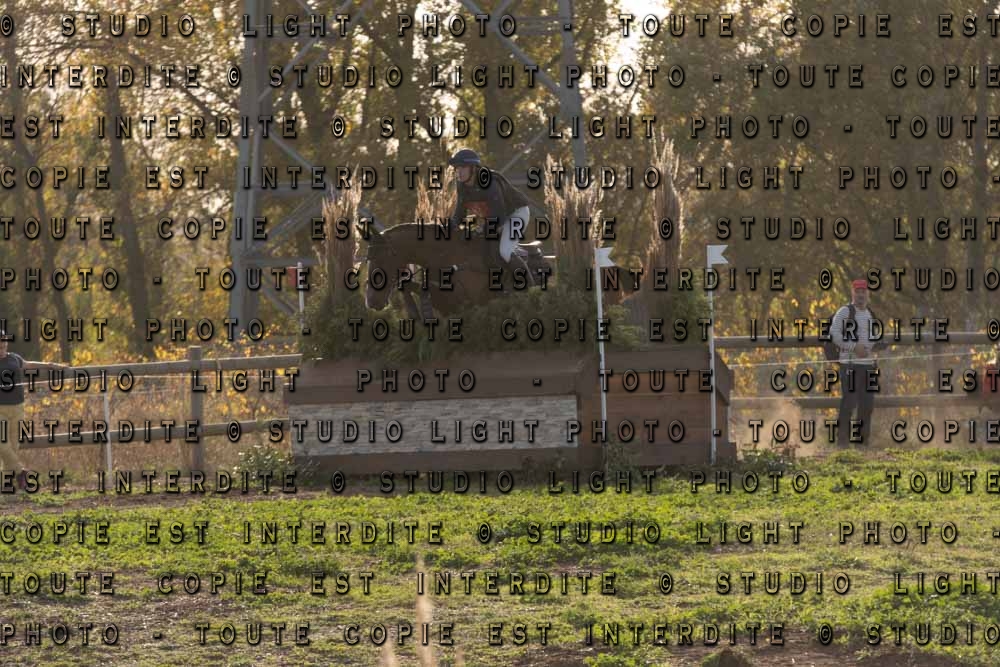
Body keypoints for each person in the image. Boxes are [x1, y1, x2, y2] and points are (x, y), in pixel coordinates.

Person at [0, 332, 70, 490]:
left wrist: (51, 365)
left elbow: (30, 364)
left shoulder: (14, 358)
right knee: (2, 445)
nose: (2, 347)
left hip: (17, 407)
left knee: (13, 446)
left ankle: (7, 484)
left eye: (3, 344)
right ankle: (21, 472)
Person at [446, 148, 534, 268]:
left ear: (474, 168)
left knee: (505, 252)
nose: (459, 171)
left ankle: (527, 278)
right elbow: (459, 215)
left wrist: (479, 230)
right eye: (457, 168)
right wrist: (447, 228)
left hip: (517, 214)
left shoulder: (489, 183)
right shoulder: (462, 186)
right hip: (498, 218)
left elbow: (498, 217)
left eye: (463, 167)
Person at [831, 280, 879, 448]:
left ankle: (861, 443)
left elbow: (874, 335)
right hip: (850, 364)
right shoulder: (845, 311)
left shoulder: (870, 313)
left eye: (863, 292)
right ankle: (842, 443)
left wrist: (869, 347)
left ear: (867, 294)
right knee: (849, 403)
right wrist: (854, 347)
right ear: (853, 293)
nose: (860, 295)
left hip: (868, 365)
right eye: (857, 291)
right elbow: (834, 333)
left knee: (867, 404)